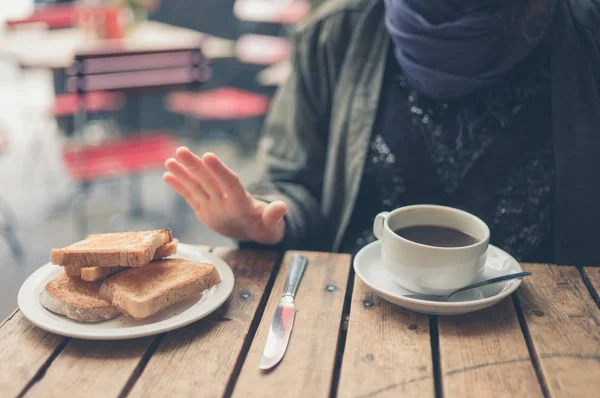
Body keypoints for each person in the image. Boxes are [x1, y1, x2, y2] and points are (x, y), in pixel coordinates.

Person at [164, 0, 600, 265]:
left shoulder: (586, 31)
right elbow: (293, 183)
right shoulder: (335, 33)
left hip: (540, 323)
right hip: (357, 318)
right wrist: (264, 221)